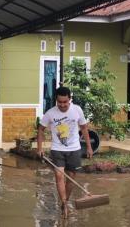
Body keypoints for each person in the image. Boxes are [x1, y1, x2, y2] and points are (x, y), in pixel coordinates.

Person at [37, 87, 93, 218]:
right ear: (56, 100)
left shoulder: (77, 110)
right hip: (57, 149)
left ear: (70, 99)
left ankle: (64, 202)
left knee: (71, 179)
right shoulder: (50, 113)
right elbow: (40, 130)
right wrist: (39, 148)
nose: (62, 105)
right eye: (59, 102)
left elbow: (84, 128)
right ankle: (64, 204)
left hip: (74, 149)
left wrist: (89, 147)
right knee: (59, 175)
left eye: (65, 102)